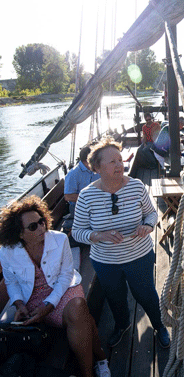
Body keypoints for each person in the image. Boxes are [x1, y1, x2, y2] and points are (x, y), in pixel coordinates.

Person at [0, 195, 110, 377]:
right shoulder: (7, 251)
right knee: (86, 320)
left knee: (78, 307)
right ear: (19, 233)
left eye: (41, 221)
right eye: (33, 226)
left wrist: (49, 305)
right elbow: (11, 281)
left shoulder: (59, 240)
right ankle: (100, 356)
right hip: (31, 299)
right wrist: (19, 303)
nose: (41, 227)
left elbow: (66, 275)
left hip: (62, 290)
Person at [71, 137, 170, 349]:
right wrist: (98, 236)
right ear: (96, 167)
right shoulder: (87, 197)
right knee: (115, 298)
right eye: (112, 162)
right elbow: (77, 232)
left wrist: (148, 226)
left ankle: (160, 326)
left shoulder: (136, 187)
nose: (120, 165)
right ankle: (122, 325)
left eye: (120, 159)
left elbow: (151, 214)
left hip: (139, 256)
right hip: (106, 262)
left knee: (146, 295)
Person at [64, 145, 100, 216]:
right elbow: (68, 196)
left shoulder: (97, 168)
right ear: (87, 161)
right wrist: (90, 198)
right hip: (79, 207)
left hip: (96, 204)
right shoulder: (73, 174)